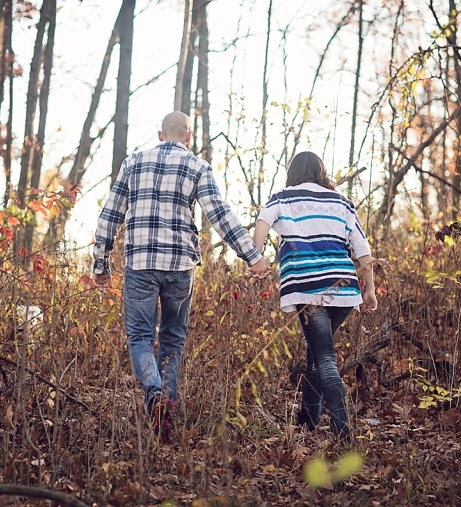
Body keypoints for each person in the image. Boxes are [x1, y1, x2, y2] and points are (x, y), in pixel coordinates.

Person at [93, 111, 270, 443]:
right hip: (180, 268)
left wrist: (101, 263)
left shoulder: (132, 163)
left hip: (141, 264)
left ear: (160, 135)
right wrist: (253, 256)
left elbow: (110, 216)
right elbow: (220, 215)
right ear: (188, 137)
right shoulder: (197, 167)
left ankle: (155, 394)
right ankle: (166, 408)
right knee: (172, 340)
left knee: (141, 338)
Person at [253, 151, 377, 440]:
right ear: (321, 171)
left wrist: (255, 258)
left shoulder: (283, 197)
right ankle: (308, 418)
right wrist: (369, 288)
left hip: (307, 288)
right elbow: (362, 247)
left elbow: (262, 222)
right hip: (344, 291)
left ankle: (343, 429)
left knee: (324, 358)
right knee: (317, 349)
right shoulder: (340, 201)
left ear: (293, 172)